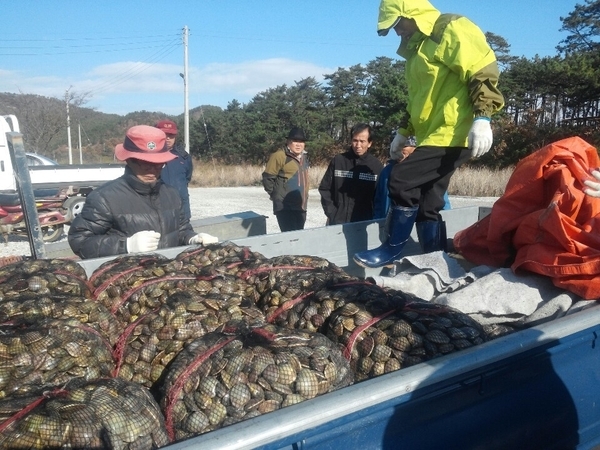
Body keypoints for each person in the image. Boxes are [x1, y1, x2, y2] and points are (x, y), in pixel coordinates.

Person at [354, 0, 504, 268]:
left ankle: (392, 248)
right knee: (429, 201)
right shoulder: (417, 50)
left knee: (401, 179)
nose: (397, 32)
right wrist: (403, 132)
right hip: (432, 135)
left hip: (453, 132)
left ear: (410, 14)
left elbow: (482, 69)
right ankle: (435, 260)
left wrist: (483, 117)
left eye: (397, 24)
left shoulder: (449, 28)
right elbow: (418, 99)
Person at [68, 125, 217, 259]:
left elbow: (181, 230)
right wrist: (125, 246)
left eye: (158, 163)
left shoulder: (171, 194)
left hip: (167, 277)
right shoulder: (104, 198)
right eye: (143, 163)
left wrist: (193, 238)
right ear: (129, 160)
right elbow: (79, 240)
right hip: (126, 280)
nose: (151, 169)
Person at [319, 123, 383, 225]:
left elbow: (380, 197)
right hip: (337, 221)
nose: (358, 145)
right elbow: (324, 188)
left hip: (363, 224)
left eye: (362, 141)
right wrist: (332, 213)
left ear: (370, 143)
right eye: (355, 140)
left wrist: (372, 218)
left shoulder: (376, 167)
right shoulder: (338, 161)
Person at [262, 127, 310, 232]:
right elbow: (267, 178)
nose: (298, 144)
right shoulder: (279, 156)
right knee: (289, 238)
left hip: (301, 206)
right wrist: (277, 197)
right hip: (285, 207)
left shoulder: (304, 157)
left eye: (301, 141)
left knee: (299, 236)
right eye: (295, 141)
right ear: (288, 141)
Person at [155, 119, 193, 220]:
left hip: (181, 209)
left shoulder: (184, 157)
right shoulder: (150, 157)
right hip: (158, 210)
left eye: (171, 135)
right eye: (164, 135)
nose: (167, 138)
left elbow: (187, 178)